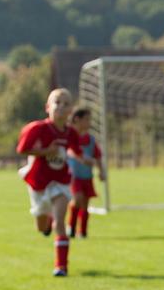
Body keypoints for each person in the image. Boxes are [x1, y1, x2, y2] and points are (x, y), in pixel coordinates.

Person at [16, 88, 82, 277]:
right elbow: (22, 150)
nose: (61, 106)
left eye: (66, 104)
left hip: (60, 181)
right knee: (42, 227)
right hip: (39, 181)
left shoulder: (71, 133)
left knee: (60, 222)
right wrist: (45, 152)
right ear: (47, 107)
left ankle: (61, 266)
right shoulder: (37, 129)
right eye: (57, 102)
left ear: (70, 111)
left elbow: (76, 150)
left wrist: (86, 160)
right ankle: (47, 221)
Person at [67, 107, 105, 238]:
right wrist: (81, 158)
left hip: (87, 177)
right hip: (73, 176)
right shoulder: (70, 136)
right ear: (77, 120)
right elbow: (69, 151)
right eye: (87, 119)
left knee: (85, 204)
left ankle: (82, 232)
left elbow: (98, 156)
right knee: (77, 199)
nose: (89, 122)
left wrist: (101, 171)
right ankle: (71, 227)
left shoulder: (91, 140)